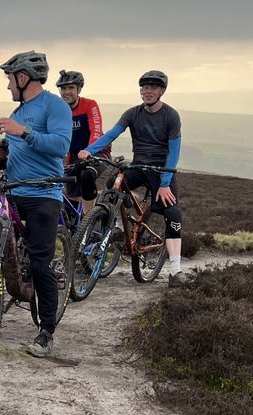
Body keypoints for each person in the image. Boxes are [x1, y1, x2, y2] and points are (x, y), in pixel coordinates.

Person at [0, 51, 72, 358]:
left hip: (45, 194)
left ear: (23, 78)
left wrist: (26, 132)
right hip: (13, 192)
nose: (7, 86)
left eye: (9, 79)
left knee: (41, 263)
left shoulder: (54, 105)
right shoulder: (16, 114)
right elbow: (13, 151)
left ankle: (46, 331)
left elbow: (60, 146)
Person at [78, 69, 186, 287]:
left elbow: (174, 152)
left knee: (172, 212)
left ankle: (176, 271)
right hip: (138, 165)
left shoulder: (171, 115)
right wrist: (89, 150)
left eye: (153, 87)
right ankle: (118, 225)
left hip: (161, 169)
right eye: (145, 87)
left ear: (162, 91)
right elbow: (112, 133)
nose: (148, 91)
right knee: (112, 185)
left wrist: (165, 183)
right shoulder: (132, 113)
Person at [55, 69, 105, 213]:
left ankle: (89, 222)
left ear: (79, 89)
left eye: (71, 87)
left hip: (97, 152)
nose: (66, 92)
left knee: (87, 176)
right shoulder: (58, 110)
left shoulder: (89, 104)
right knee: (72, 206)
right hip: (73, 156)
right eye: (63, 88)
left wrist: (89, 151)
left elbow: (96, 129)